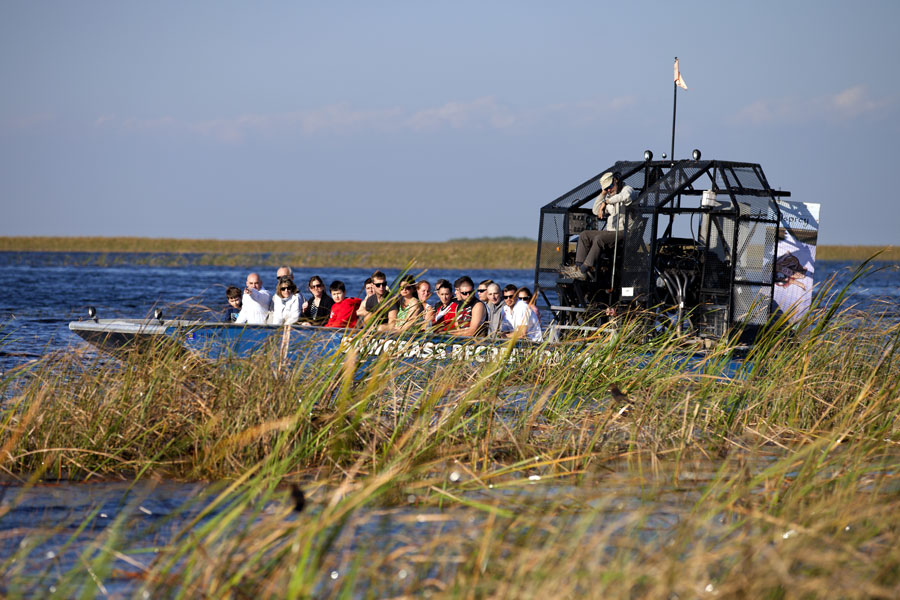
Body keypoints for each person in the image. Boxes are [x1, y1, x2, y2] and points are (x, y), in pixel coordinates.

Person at [565, 171, 637, 280]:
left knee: (599, 239)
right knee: (584, 235)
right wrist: (602, 195)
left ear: (616, 181)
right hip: (610, 232)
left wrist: (607, 202)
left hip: (624, 233)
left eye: (610, 187)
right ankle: (579, 269)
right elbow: (595, 210)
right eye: (606, 188)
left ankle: (584, 269)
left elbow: (624, 196)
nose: (609, 190)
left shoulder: (627, 190)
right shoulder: (608, 195)